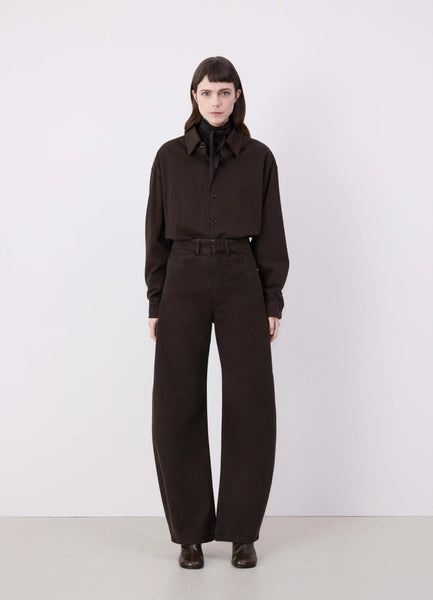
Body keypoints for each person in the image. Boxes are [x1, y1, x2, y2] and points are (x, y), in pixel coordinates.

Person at [144, 56, 289, 569]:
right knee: (177, 402)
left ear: (237, 96)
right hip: (182, 276)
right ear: (194, 96)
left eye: (224, 92)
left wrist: (272, 298)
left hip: (240, 275)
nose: (215, 101)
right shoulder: (168, 157)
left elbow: (271, 231)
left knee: (251, 403)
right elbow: (155, 233)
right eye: (207, 92)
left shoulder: (259, 158)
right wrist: (156, 299)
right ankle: (189, 534)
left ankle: (242, 532)